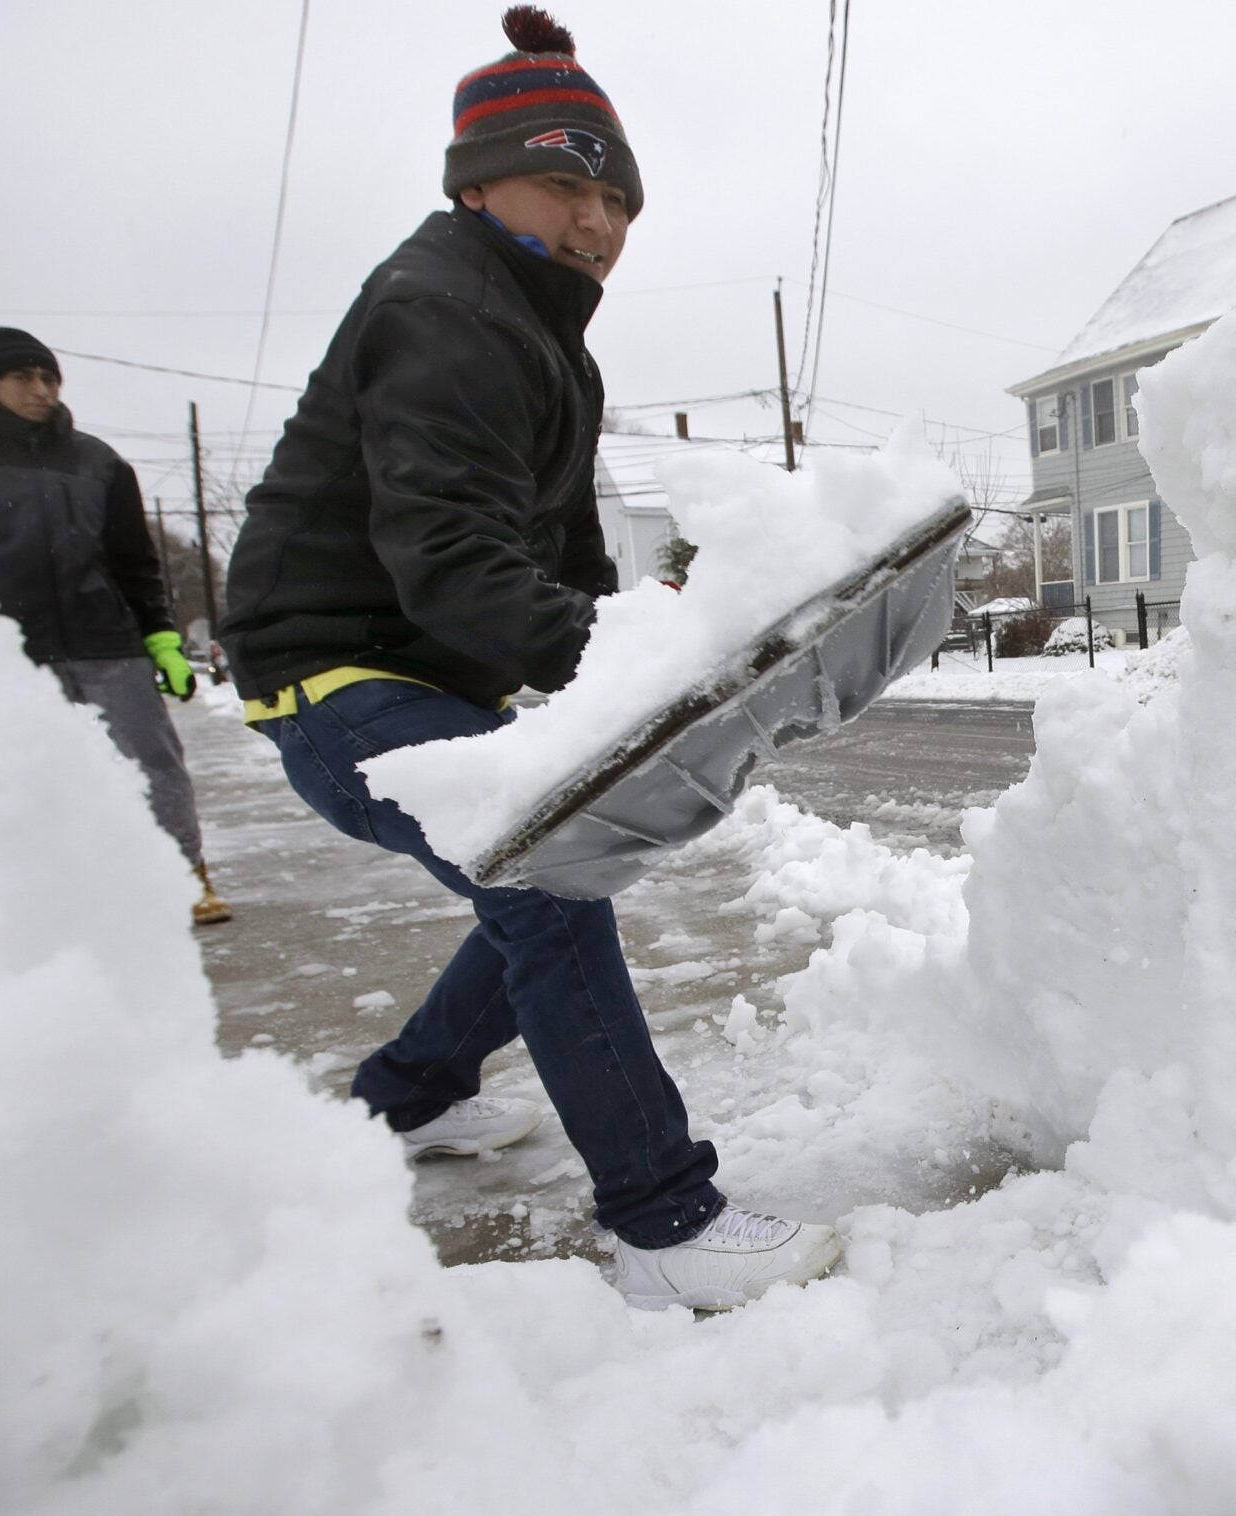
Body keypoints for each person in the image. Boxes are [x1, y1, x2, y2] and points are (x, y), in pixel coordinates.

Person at [220, 5, 840, 1312]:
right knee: (546, 879)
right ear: (479, 180)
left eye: (617, 197)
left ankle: (399, 1101)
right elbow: (447, 552)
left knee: (545, 863)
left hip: (413, 673)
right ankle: (663, 1220)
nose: (600, 221)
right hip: (335, 678)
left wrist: (625, 665)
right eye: (567, 184)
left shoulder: (537, 336)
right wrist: (611, 659)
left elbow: (551, 565)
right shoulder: (444, 309)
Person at [0, 328, 233, 927]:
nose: (41, 390)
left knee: (154, 762)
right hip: (4, 646)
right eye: (23, 377)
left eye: (48, 377)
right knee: (20, 769)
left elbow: (134, 560)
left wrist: (160, 638)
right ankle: (44, 888)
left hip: (106, 638)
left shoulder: (97, 461)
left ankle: (184, 873)